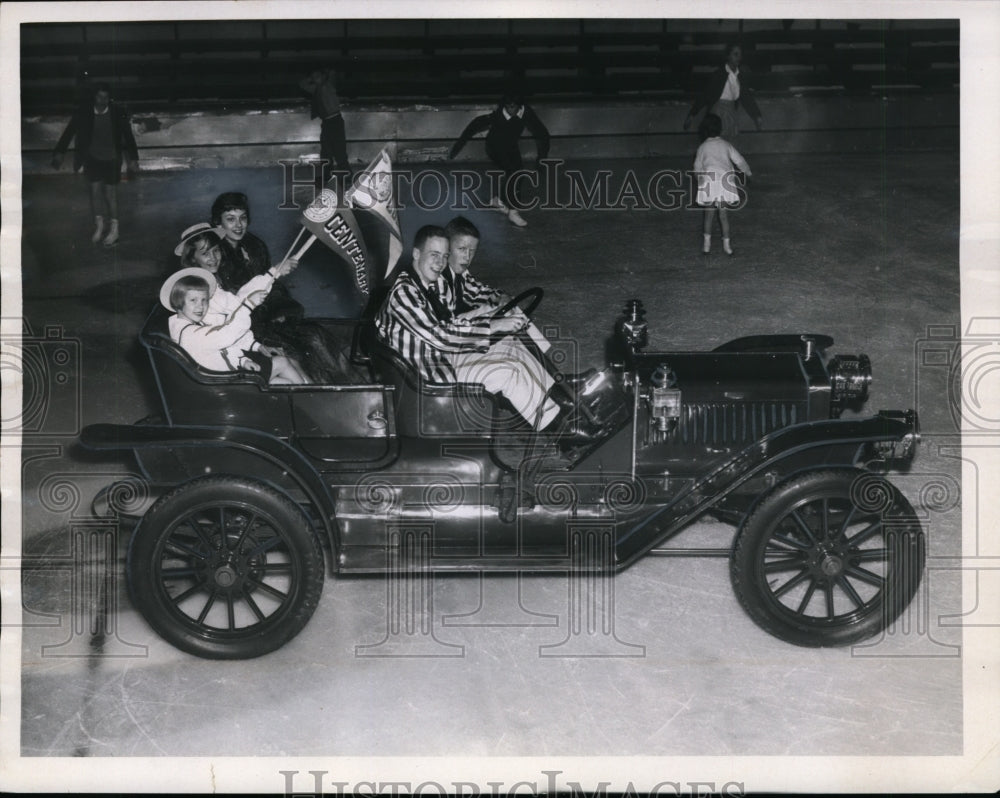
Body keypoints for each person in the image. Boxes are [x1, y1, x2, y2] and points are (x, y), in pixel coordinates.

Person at [376, 225, 565, 432]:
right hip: (430, 381)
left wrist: (492, 326)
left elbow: (450, 324)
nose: (440, 263)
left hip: (441, 359)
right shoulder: (404, 294)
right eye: (434, 255)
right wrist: (492, 326)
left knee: (511, 349)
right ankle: (561, 434)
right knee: (508, 372)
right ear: (416, 253)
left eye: (444, 256)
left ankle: (559, 399)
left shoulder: (426, 285)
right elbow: (441, 337)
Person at [207, 192, 358, 384]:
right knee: (305, 345)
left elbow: (274, 286)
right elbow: (236, 298)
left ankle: (344, 383)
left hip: (271, 318)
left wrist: (282, 310)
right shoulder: (217, 255)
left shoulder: (254, 245)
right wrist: (274, 275)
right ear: (218, 223)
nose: (238, 225)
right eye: (230, 219)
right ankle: (325, 388)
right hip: (250, 326)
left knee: (316, 333)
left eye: (243, 218)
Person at [160, 268, 310, 384]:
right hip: (225, 382)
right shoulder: (189, 334)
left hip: (227, 374)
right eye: (193, 300)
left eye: (204, 300)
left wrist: (242, 361)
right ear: (178, 302)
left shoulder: (188, 326)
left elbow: (219, 350)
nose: (201, 307)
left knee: (282, 383)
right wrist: (248, 305)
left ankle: (305, 397)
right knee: (282, 362)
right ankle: (310, 398)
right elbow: (225, 336)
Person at [51, 81, 139, 247]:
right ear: (94, 97)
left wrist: (133, 159)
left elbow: (128, 136)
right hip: (93, 159)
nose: (103, 100)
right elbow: (69, 131)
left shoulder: (117, 112)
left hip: (112, 159)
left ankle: (114, 230)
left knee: (110, 194)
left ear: (109, 98)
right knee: (95, 192)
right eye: (100, 96)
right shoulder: (84, 112)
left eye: (106, 97)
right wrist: (60, 152)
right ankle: (99, 226)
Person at [448, 91, 550, 228]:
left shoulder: (527, 113)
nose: (510, 110)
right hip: (494, 147)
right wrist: (456, 148)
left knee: (516, 172)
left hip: (511, 146)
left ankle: (497, 201)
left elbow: (542, 134)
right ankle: (513, 212)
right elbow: (475, 125)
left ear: (520, 106)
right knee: (515, 171)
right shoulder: (498, 115)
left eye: (513, 107)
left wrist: (541, 158)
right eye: (507, 107)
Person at [694, 113, 752, 256]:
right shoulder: (726, 145)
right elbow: (739, 160)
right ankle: (727, 246)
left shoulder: (702, 147)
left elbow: (697, 167)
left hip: (710, 182)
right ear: (720, 129)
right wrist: (748, 172)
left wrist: (699, 179)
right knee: (723, 215)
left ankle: (706, 246)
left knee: (708, 215)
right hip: (724, 182)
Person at [683, 43, 763, 140]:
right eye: (735, 54)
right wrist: (692, 114)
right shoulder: (718, 75)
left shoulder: (740, 77)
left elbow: (747, 98)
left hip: (731, 112)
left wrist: (757, 116)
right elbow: (705, 95)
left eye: (740, 55)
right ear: (728, 56)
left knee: (730, 144)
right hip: (717, 113)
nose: (739, 58)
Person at [299, 67, 351, 185]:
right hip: (327, 123)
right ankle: (326, 175)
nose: (315, 79)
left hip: (335, 121)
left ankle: (347, 177)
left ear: (323, 77)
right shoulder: (316, 89)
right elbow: (302, 84)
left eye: (317, 76)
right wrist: (311, 78)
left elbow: (333, 73)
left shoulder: (329, 85)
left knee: (339, 151)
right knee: (326, 151)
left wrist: (326, 74)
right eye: (314, 78)